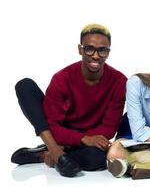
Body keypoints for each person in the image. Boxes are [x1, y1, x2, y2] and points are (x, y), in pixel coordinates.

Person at [11, 23, 127, 177]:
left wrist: (88, 140)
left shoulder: (119, 81)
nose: (95, 55)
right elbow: (51, 124)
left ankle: (47, 155)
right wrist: (83, 139)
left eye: (102, 50)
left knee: (97, 160)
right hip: (60, 132)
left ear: (108, 52)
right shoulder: (62, 79)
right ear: (80, 49)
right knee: (25, 86)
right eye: (89, 48)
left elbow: (109, 128)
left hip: (91, 137)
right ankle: (56, 151)